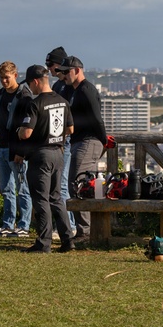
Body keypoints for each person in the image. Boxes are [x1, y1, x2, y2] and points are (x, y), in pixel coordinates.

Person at [13, 65, 76, 253]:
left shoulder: (35, 103)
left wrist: (18, 131)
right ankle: (67, 240)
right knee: (56, 198)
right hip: (58, 152)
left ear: (35, 81)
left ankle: (43, 242)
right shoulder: (63, 101)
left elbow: (26, 133)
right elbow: (71, 129)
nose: (30, 90)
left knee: (40, 199)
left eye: (30, 85)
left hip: (40, 155)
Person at [59, 55, 107, 240]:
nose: (64, 75)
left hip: (88, 140)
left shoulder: (85, 90)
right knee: (86, 186)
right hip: (82, 141)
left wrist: (103, 140)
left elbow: (96, 118)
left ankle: (85, 231)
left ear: (77, 70)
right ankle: (90, 230)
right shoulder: (74, 90)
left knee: (77, 184)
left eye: (66, 71)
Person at [0, 61, 33, 237]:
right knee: (6, 189)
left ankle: (24, 224)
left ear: (15, 75)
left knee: (22, 188)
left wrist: (22, 150)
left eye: (6, 78)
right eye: (1, 78)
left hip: (17, 148)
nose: (4, 81)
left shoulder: (24, 96)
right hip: (1, 146)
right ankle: (8, 223)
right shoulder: (0, 95)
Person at [45, 46, 76, 235]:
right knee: (56, 184)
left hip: (66, 140)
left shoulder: (69, 86)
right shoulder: (58, 86)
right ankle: (65, 224)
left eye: (51, 65)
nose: (49, 69)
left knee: (62, 184)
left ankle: (68, 225)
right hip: (56, 140)